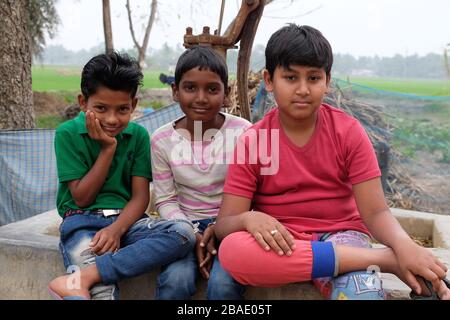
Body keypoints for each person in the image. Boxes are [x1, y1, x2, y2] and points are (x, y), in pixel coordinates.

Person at [215, 24, 450, 300]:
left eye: (313, 78)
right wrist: (249, 218)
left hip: (343, 235)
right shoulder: (252, 141)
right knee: (233, 250)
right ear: (269, 80)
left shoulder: (348, 132)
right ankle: (384, 261)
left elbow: (375, 213)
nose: (302, 89)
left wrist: (404, 245)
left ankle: (349, 261)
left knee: (363, 295)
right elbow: (224, 225)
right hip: (284, 241)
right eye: (290, 78)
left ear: (327, 81)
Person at [48, 52, 196, 300]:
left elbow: (140, 198)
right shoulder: (67, 134)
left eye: (122, 109)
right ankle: (85, 284)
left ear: (134, 105)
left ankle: (83, 277)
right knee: (102, 294)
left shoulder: (137, 136)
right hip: (82, 223)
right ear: (83, 103)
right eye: (101, 108)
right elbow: (82, 198)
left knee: (183, 233)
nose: (112, 119)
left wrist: (117, 229)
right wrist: (108, 149)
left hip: (129, 224)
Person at [151, 46, 252, 299]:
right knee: (175, 280)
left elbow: (255, 194)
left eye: (212, 89)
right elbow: (165, 199)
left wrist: (220, 228)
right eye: (190, 88)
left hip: (234, 228)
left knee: (223, 285)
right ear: (175, 91)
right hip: (184, 229)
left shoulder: (244, 133)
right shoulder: (162, 139)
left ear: (227, 94)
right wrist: (192, 233)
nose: (201, 98)